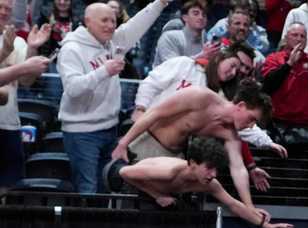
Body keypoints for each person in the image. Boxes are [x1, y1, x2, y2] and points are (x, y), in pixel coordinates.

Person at [111, 82, 272, 221]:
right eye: (251, 119)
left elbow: (238, 168)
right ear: (241, 106)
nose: (251, 126)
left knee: (164, 208)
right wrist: (123, 143)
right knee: (133, 198)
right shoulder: (200, 96)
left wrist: (249, 207)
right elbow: (154, 113)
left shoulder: (230, 134)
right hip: (148, 141)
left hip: (174, 156)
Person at [58, 0, 170, 193]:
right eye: (104, 20)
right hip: (81, 132)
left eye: (113, 21)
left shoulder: (112, 41)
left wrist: (159, 3)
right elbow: (73, 88)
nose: (110, 25)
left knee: (106, 188)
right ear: (88, 21)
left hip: (109, 128)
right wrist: (104, 71)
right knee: (88, 189)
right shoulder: (71, 48)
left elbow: (136, 25)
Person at [112, 137, 294, 228]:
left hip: (158, 192)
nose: (213, 175)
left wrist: (266, 226)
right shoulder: (169, 171)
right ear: (192, 163)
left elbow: (233, 204)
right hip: (122, 177)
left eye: (216, 169)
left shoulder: (209, 184)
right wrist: (157, 195)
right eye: (209, 168)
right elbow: (124, 173)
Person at [0, 0, 49, 187]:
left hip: (10, 124)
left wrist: (32, 48)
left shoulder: (17, 41)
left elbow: (26, 81)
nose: (4, 12)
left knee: (11, 186)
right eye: (0, 7)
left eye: (8, 9)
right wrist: (5, 53)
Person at [262, 22, 308, 139]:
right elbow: (268, 86)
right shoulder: (273, 59)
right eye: (295, 35)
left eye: (302, 36)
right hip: (278, 119)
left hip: (306, 122)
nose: (299, 39)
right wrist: (289, 64)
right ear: (286, 38)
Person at [152, 0, 207, 67]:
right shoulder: (169, 37)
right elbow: (171, 66)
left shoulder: (205, 39)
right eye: (196, 14)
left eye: (204, 15)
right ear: (185, 17)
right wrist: (201, 56)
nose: (201, 17)